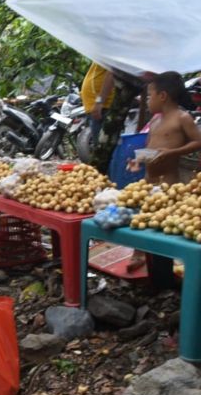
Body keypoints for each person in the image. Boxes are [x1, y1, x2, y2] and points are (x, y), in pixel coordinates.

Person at [126, 72, 201, 274]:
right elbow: (151, 149)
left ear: (163, 96)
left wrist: (173, 152)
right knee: (143, 220)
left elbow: (198, 141)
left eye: (149, 95)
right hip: (148, 181)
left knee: (162, 228)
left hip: (168, 183)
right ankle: (140, 255)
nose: (147, 100)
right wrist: (137, 161)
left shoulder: (182, 118)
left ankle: (163, 271)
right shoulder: (155, 122)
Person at [81, 62, 115, 145]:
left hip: (102, 106)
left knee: (101, 148)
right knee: (99, 145)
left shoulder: (113, 51)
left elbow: (112, 73)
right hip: (96, 105)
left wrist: (100, 101)